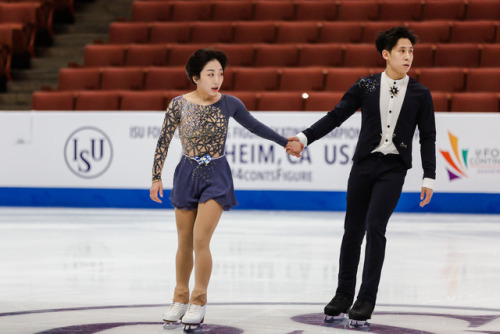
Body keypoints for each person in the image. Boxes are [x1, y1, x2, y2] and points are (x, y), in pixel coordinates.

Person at [287, 26, 436, 325]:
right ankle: (343, 293)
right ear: (386, 54)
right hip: (364, 166)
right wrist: (304, 138)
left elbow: (428, 136)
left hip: (393, 169)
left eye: (410, 51)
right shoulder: (366, 86)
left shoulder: (420, 93)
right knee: (353, 229)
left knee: (375, 225)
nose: (408, 56)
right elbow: (336, 115)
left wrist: (428, 176)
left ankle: (366, 297)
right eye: (401, 51)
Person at [149, 48, 302, 329]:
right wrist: (156, 176)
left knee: (200, 240)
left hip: (216, 175)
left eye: (220, 73)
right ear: (196, 77)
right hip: (186, 173)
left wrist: (285, 143)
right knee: (183, 243)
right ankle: (180, 295)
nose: (217, 79)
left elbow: (256, 127)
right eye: (210, 74)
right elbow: (164, 140)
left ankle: (198, 299)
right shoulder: (178, 104)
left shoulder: (230, 103)